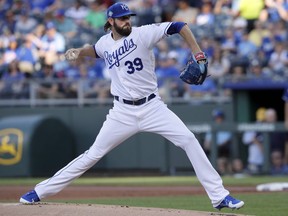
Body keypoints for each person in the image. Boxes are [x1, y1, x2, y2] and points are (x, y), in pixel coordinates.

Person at [19, 2, 244, 210]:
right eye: (122, 18)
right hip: (122, 112)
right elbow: (96, 50)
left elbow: (179, 25)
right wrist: (79, 51)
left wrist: (197, 52)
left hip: (152, 107)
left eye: (128, 17)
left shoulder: (142, 34)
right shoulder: (105, 42)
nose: (127, 21)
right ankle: (39, 191)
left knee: (188, 140)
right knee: (92, 155)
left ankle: (219, 196)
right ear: (111, 22)